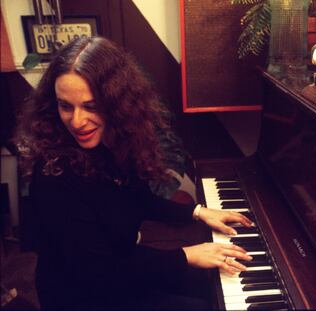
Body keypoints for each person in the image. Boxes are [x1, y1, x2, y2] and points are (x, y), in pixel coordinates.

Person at [14, 36, 253, 310]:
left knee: (212, 283)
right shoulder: (52, 175)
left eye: (91, 106)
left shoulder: (114, 143)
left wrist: (197, 212)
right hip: (84, 293)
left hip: (121, 267)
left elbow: (138, 199)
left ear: (117, 102)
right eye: (65, 106)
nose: (77, 121)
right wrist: (185, 256)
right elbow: (97, 270)